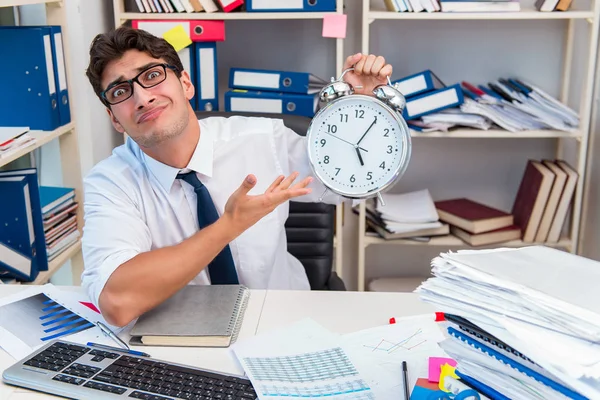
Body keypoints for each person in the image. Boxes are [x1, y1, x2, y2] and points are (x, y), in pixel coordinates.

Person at [81, 26, 394, 327]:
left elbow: (356, 182)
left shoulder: (263, 138)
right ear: (114, 119)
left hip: (281, 320)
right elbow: (117, 302)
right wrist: (228, 227)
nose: (142, 97)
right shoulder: (110, 182)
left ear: (186, 84)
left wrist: (362, 105)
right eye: (121, 91)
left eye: (152, 76)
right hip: (181, 337)